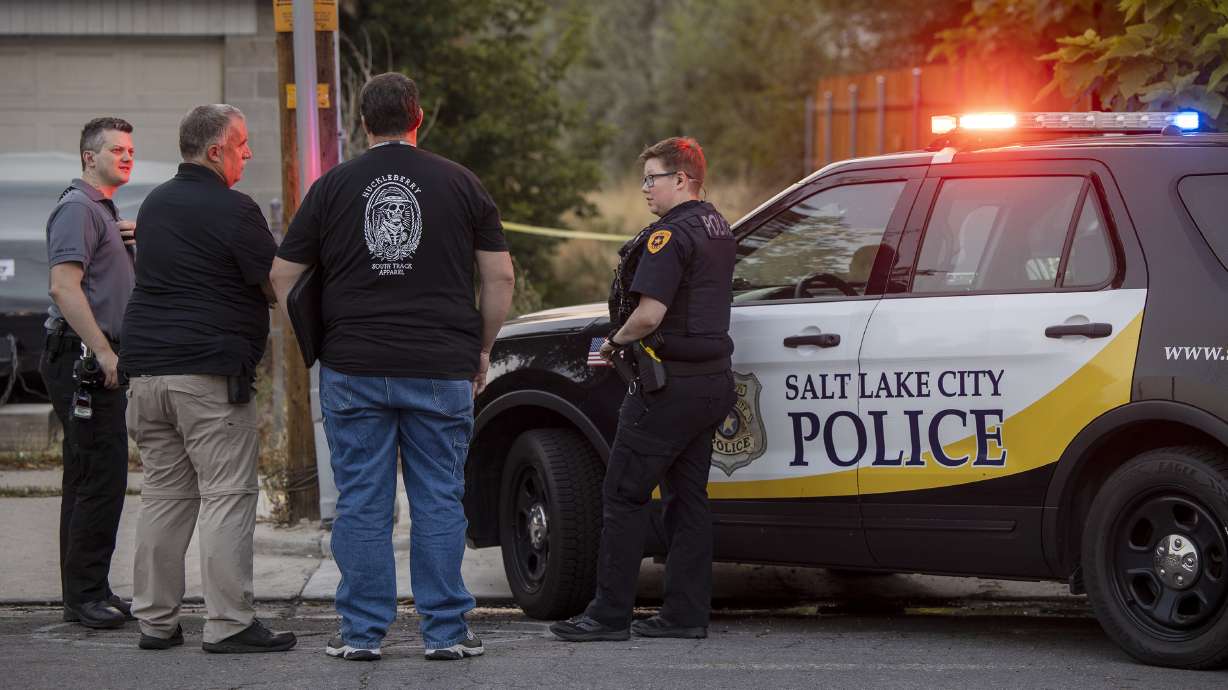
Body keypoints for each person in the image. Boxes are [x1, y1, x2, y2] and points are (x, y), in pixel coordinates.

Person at [270, 72, 515, 662]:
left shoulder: (332, 187)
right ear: (418, 118)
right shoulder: (461, 183)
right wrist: (480, 349)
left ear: (360, 123)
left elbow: (283, 275)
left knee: (361, 500)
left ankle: (360, 633)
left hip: (353, 364)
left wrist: (320, 341)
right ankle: (447, 633)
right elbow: (500, 276)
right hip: (440, 365)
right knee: (438, 496)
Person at [121, 104, 296, 654]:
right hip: (207, 376)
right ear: (215, 150)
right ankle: (229, 623)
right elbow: (274, 281)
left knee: (164, 497)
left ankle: (155, 622)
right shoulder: (234, 209)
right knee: (227, 495)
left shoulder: (153, 204)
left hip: (147, 373)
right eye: (241, 144)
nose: (247, 153)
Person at [550, 137, 737, 642]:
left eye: (652, 179)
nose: (645, 190)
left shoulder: (669, 236)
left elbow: (650, 314)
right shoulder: (718, 227)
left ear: (681, 179)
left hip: (668, 387)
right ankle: (684, 615)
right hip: (712, 383)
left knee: (623, 495)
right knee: (688, 499)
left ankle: (608, 615)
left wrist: (611, 345)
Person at [42, 116, 138, 630]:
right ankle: (83, 597)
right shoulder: (78, 208)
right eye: (116, 150)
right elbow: (64, 287)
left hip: (92, 357)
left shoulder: (103, 209)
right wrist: (102, 351)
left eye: (130, 150)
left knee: (91, 477)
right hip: (81, 360)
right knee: (100, 478)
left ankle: (90, 588)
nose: (127, 156)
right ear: (88, 157)